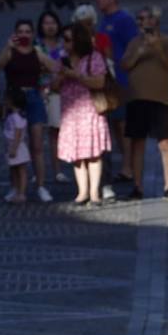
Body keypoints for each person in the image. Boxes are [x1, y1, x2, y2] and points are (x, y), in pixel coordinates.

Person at [0, 18, 58, 202]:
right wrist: (7, 47)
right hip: (14, 101)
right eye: (20, 31)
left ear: (32, 34)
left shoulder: (37, 52)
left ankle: (40, 186)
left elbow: (54, 67)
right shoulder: (10, 52)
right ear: (15, 34)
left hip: (34, 98)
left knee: (37, 146)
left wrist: (47, 85)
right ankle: (14, 186)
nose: (24, 35)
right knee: (12, 144)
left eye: (27, 31)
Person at [122, 5, 168, 200]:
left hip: (161, 99)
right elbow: (125, 65)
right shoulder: (134, 42)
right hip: (137, 99)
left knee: (166, 144)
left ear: (155, 21)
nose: (140, 22)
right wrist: (139, 51)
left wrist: (156, 47)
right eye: (138, 19)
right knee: (137, 144)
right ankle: (138, 187)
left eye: (144, 18)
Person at [55, 23, 111, 207]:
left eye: (68, 39)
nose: (64, 43)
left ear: (78, 40)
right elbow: (53, 86)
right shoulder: (62, 58)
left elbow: (99, 82)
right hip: (71, 113)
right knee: (77, 155)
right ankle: (82, 192)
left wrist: (76, 75)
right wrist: (61, 77)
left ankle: (94, 192)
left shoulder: (93, 57)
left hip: (90, 110)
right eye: (63, 39)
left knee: (93, 154)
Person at [96, 0, 139, 187]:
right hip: (107, 81)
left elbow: (134, 46)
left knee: (122, 124)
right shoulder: (103, 21)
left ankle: (128, 166)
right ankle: (125, 164)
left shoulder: (124, 20)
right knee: (114, 124)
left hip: (121, 79)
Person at [37, 11, 66, 183]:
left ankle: (58, 170)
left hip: (57, 91)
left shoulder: (64, 44)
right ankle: (37, 171)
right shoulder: (36, 44)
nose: (50, 26)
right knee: (37, 133)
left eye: (53, 22)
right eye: (46, 23)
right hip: (39, 90)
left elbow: (62, 68)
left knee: (55, 132)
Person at [3, 87, 30, 202]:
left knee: (20, 170)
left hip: (17, 147)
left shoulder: (17, 117)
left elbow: (18, 134)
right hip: (12, 146)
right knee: (14, 169)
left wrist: (14, 148)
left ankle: (21, 193)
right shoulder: (12, 116)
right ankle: (16, 190)